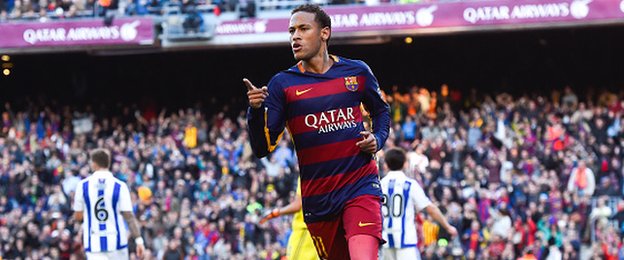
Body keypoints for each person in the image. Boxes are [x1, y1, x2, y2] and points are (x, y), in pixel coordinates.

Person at [244, 4, 391, 259]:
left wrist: (376, 139)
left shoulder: (356, 72)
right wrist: (255, 112)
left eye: (303, 29)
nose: (295, 37)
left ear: (325, 33)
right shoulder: (283, 84)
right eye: (291, 31)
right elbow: (262, 148)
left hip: (360, 186)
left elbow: (381, 111)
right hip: (319, 200)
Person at [380, 148, 457, 260]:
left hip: (385, 239)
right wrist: (447, 226)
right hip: (405, 239)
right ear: (405, 164)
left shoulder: (380, 185)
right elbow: (430, 209)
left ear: (386, 165)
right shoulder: (409, 184)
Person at [73, 148, 145, 259]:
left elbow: (78, 216)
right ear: (108, 163)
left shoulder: (82, 186)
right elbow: (129, 217)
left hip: (94, 244)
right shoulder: (120, 186)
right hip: (117, 242)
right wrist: (139, 241)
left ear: (94, 164)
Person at [260, 179, 318, 260]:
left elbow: (298, 205)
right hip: (316, 230)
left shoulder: (306, 173)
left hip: (304, 230)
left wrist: (276, 212)